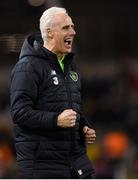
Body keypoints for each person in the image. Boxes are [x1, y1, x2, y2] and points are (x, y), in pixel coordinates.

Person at [10, 6, 96, 179]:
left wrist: (83, 126)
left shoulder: (70, 66)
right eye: (66, 28)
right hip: (43, 166)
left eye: (72, 26)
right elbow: (19, 113)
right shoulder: (28, 67)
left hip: (76, 162)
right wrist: (56, 120)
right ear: (49, 33)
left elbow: (70, 108)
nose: (73, 32)